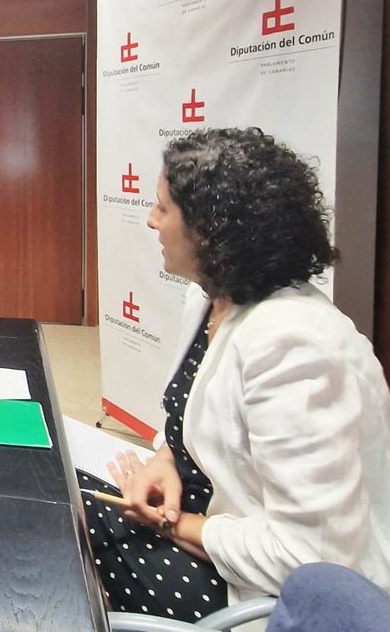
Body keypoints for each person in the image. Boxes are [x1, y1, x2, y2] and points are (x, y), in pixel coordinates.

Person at [79, 128, 390, 623]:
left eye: (162, 208)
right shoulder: (210, 297)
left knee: (67, 523)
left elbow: (310, 558)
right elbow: (197, 417)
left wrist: (174, 525)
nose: (151, 220)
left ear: (209, 230)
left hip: (258, 595)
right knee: (56, 485)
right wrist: (166, 459)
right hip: (206, 522)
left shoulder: (294, 344)